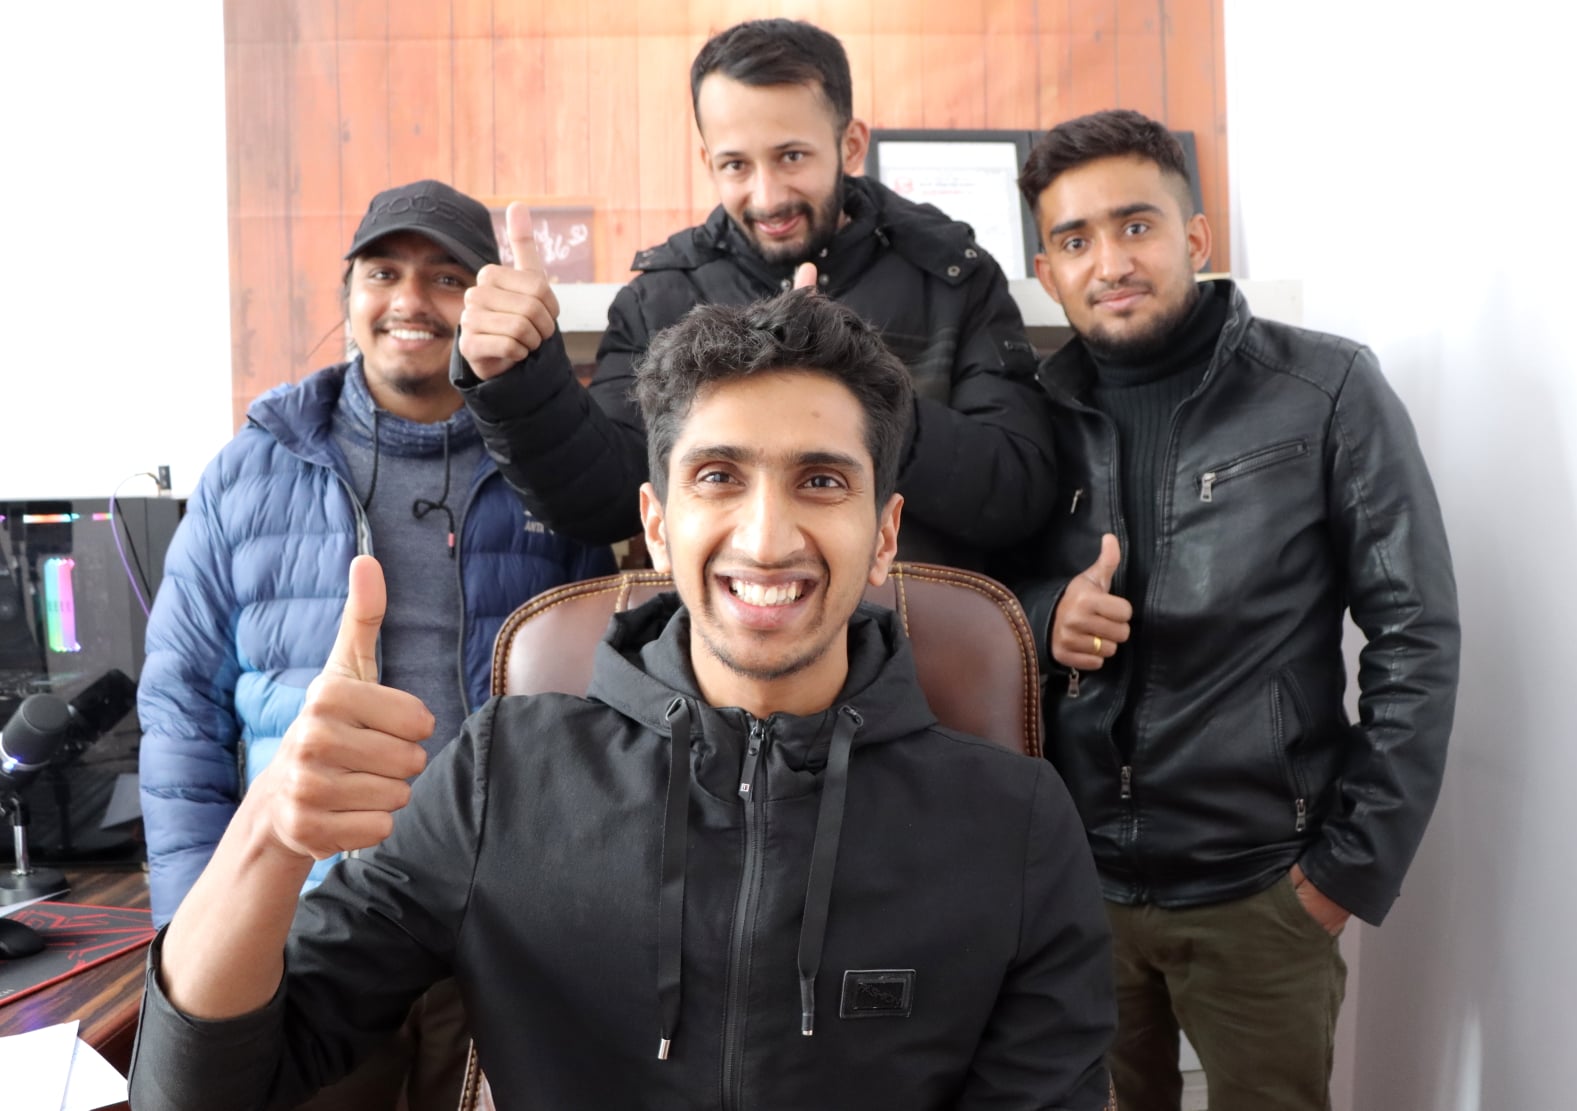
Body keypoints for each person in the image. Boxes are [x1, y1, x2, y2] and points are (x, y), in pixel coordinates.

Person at [127, 290, 1116, 1110]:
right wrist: (269, 831)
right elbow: (196, 1090)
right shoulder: (498, 779)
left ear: (885, 533)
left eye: (820, 480)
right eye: (718, 476)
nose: (766, 538)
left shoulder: (1018, 826)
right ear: (656, 521)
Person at [999, 110, 1460, 1111]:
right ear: (1047, 270)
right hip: (1077, 890)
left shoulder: (1324, 386)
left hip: (1264, 892)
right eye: (1075, 240)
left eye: (1136, 225)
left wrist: (1346, 871)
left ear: (1196, 235)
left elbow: (1415, 632)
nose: (1109, 262)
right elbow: (974, 602)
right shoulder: (1029, 416)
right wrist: (1044, 616)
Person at [136, 179, 617, 1108]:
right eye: (384, 272)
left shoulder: (548, 473)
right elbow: (180, 714)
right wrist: (201, 927)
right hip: (308, 921)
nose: (411, 300)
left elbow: (593, 712)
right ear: (348, 291)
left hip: (499, 924)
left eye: (447, 278)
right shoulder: (252, 469)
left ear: (484, 300)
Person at [451, 17, 1054, 569]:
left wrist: (860, 394)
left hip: (925, 634)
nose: (767, 198)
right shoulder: (661, 298)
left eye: (791, 156)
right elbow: (606, 504)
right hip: (720, 638)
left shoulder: (953, 276)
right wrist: (521, 378)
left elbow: (1020, 495)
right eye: (736, 165)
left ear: (850, 145)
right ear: (707, 160)